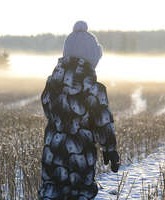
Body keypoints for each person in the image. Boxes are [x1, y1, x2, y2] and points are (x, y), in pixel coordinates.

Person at [38, 21, 120, 200]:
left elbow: (48, 110)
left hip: (53, 154)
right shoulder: (95, 89)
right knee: (80, 194)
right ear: (92, 58)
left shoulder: (51, 85)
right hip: (80, 157)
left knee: (51, 193)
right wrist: (110, 149)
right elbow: (102, 123)